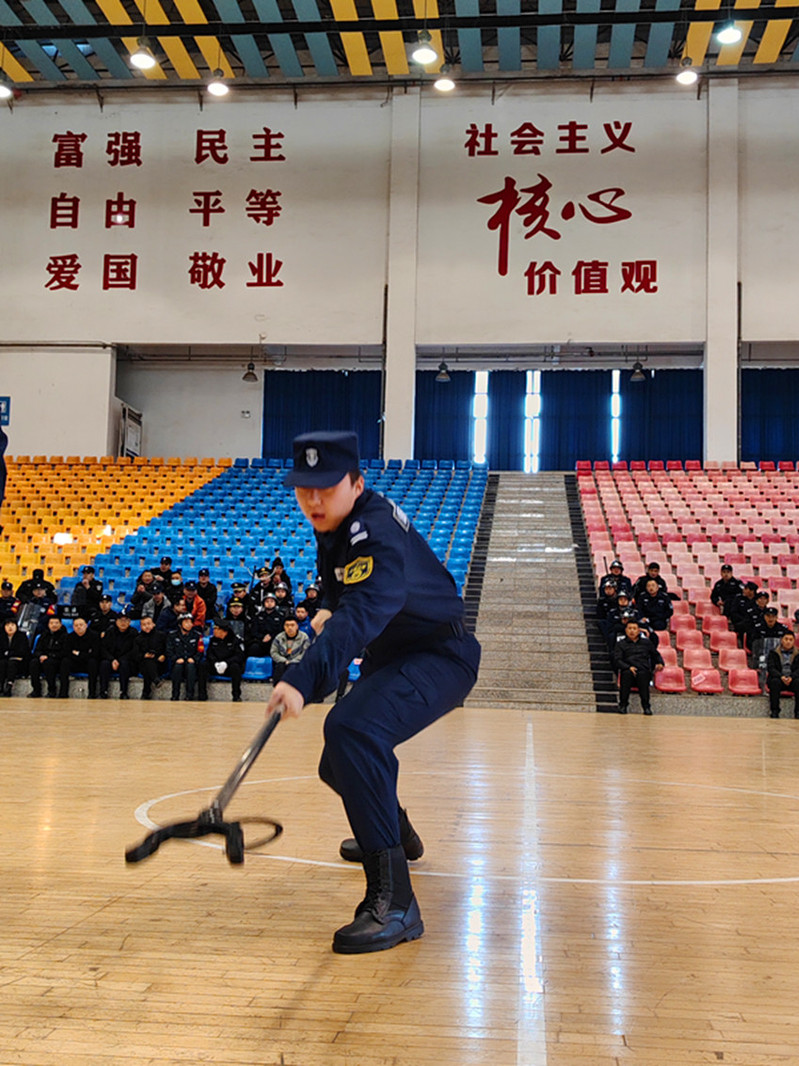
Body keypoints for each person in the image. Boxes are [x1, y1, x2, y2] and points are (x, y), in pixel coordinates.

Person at [265, 431, 481, 955]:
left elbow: (365, 610)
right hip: (400, 653)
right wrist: (328, 608)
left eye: (326, 487)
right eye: (304, 489)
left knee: (352, 729)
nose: (313, 500)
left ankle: (396, 904)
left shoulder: (375, 529)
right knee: (335, 765)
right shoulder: (337, 525)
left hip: (439, 656)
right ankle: (395, 836)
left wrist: (301, 678)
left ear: (357, 483)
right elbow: (348, 595)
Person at [613, 619, 664, 715]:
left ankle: (646, 706)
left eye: (634, 628)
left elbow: (655, 654)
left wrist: (660, 662)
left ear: (639, 630)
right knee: (626, 674)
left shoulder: (646, 643)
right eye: (630, 628)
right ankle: (623, 705)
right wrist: (628, 667)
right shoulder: (621, 644)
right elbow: (617, 660)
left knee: (643, 676)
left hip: (643, 670)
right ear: (626, 630)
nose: (632, 631)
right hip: (628, 669)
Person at [98, 609, 138, 699]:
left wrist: (119, 660)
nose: (123, 623)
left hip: (126, 661)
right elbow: (103, 648)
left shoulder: (134, 633)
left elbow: (134, 651)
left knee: (125, 664)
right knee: (104, 664)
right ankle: (103, 691)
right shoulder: (110, 632)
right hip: (111, 660)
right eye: (120, 620)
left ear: (129, 622)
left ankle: (123, 692)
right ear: (116, 621)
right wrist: (112, 659)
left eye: (125, 620)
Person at [167, 613, 206, 701]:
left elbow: (200, 650)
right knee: (177, 667)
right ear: (180, 624)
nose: (189, 624)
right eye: (186, 622)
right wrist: (176, 658)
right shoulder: (172, 635)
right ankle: (175, 694)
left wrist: (194, 659)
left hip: (191, 662)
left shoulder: (197, 635)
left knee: (191, 666)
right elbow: (169, 650)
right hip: (178, 662)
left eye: (190, 622)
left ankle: (189, 695)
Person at [205, 617, 245, 702]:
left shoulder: (235, 640)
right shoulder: (213, 640)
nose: (214, 631)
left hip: (228, 666)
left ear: (223, 631)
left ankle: (236, 695)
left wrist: (226, 663)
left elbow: (239, 656)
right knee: (203, 665)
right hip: (216, 665)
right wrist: (215, 663)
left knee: (235, 667)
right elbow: (209, 654)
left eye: (216, 629)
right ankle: (202, 695)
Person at [59, 615, 100, 698]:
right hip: (74, 663)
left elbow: (95, 653)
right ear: (73, 627)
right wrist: (85, 654)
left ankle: (92, 693)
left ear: (86, 625)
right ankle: (63, 692)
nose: (79, 627)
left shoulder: (94, 636)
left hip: (88, 663)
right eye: (76, 625)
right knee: (65, 661)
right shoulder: (69, 637)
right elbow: (67, 652)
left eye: (81, 625)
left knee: (93, 662)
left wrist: (78, 653)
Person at [29, 614, 68, 698]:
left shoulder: (65, 636)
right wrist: (40, 656)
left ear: (60, 624)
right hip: (43, 658)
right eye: (51, 623)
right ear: (48, 624)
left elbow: (65, 652)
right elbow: (36, 650)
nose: (54, 625)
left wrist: (50, 656)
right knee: (33, 663)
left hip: (57, 660)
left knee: (48, 663)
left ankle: (52, 689)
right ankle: (36, 689)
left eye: (56, 623)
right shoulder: (44, 635)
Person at [765, 631, 799, 718]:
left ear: (794, 641)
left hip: (793, 679)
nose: (788, 642)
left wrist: (791, 677)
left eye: (791, 640)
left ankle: (798, 712)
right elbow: (771, 668)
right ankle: (775, 711)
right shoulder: (773, 653)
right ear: (781, 640)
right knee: (774, 682)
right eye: (786, 639)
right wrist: (781, 677)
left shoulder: (798, 654)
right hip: (779, 678)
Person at [133, 615, 168, 699]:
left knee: (148, 667)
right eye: (144, 625)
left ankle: (146, 692)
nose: (147, 626)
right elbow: (135, 655)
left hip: (159, 664)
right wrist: (144, 655)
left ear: (153, 624)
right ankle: (155, 680)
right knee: (147, 662)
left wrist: (163, 655)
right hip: (143, 663)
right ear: (141, 627)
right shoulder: (138, 639)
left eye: (148, 623)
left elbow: (168, 649)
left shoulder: (161, 636)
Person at [270, 615, 310, 684]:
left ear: (297, 626)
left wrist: (292, 661)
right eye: (287, 625)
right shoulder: (279, 637)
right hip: (283, 661)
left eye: (292, 625)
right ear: (284, 627)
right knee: (280, 666)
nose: (290, 628)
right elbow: (274, 652)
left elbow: (305, 653)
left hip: (297, 662)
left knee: (293, 667)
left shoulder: (304, 637)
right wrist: (284, 660)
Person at [0, 617, 30, 696]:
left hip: (19, 663)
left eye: (12, 625)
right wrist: (9, 654)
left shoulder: (22, 636)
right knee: (2, 663)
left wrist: (7, 654)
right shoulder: (1, 637)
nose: (10, 627)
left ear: (16, 626)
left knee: (12, 663)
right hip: (5, 661)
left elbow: (22, 652)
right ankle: (1, 686)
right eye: (8, 625)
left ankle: (9, 686)